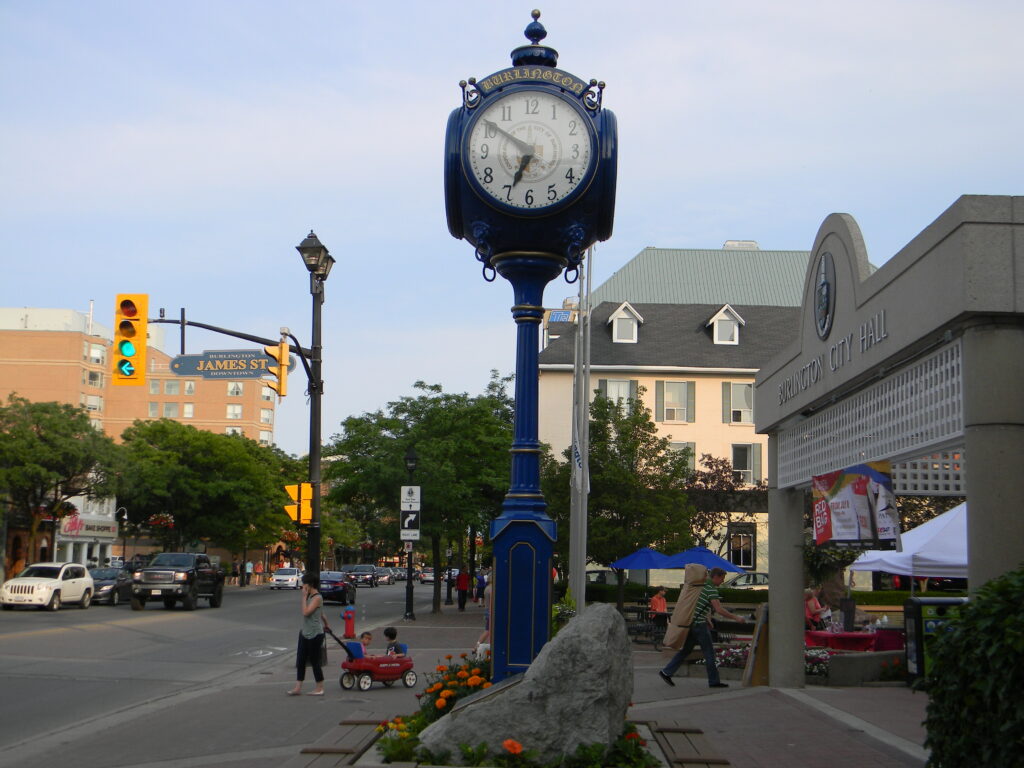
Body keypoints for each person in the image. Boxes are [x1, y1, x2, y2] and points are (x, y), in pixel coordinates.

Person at [658, 567, 744, 688]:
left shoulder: (701, 586)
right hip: (699, 626)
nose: (722, 581)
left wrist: (707, 619)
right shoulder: (711, 589)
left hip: (693, 624)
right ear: (716, 577)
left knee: (686, 650)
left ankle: (666, 672)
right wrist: (736, 618)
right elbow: (719, 609)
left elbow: (700, 605)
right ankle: (714, 681)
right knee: (709, 653)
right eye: (722, 578)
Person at [287, 573, 331, 696]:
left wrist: (303, 597)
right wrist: (327, 624)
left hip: (315, 633)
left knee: (314, 661)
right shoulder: (310, 597)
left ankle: (319, 687)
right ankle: (297, 687)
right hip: (305, 632)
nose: (302, 586)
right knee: (301, 660)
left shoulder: (317, 597)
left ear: (310, 585)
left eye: (304, 584)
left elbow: (306, 612)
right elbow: (322, 614)